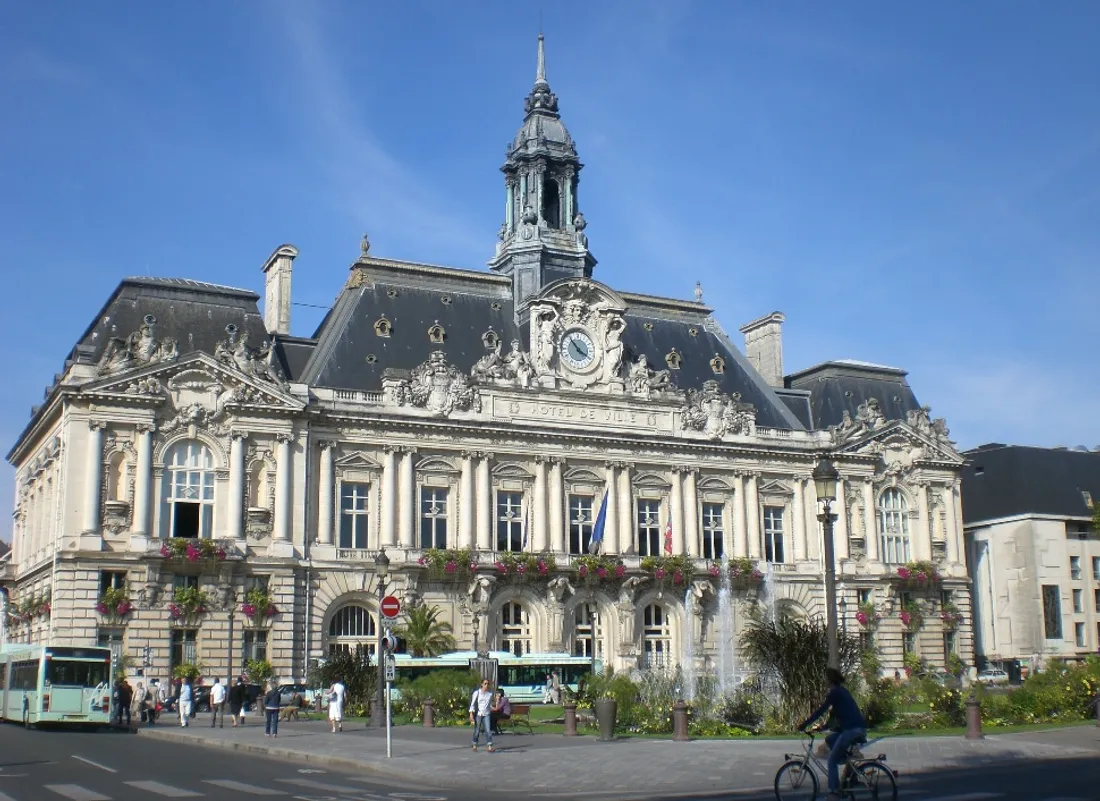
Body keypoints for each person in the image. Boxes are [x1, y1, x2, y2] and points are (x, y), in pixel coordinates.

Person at [798, 668, 867, 801]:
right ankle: (848, 770)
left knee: (831, 760)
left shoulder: (834, 693)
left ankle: (833, 793)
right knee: (831, 738)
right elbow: (834, 717)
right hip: (857, 728)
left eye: (826, 679)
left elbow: (821, 711)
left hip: (851, 730)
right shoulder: (842, 692)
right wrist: (822, 728)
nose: (824, 682)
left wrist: (804, 724)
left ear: (830, 680)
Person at [468, 678, 495, 753]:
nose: (486, 685)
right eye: (485, 684)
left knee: (488, 730)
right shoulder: (477, 693)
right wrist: (471, 714)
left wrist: (493, 708)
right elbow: (472, 704)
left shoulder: (489, 694)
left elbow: (488, 705)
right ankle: (474, 745)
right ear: (482, 684)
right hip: (479, 714)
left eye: (487, 684)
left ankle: (489, 746)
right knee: (477, 730)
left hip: (486, 714)